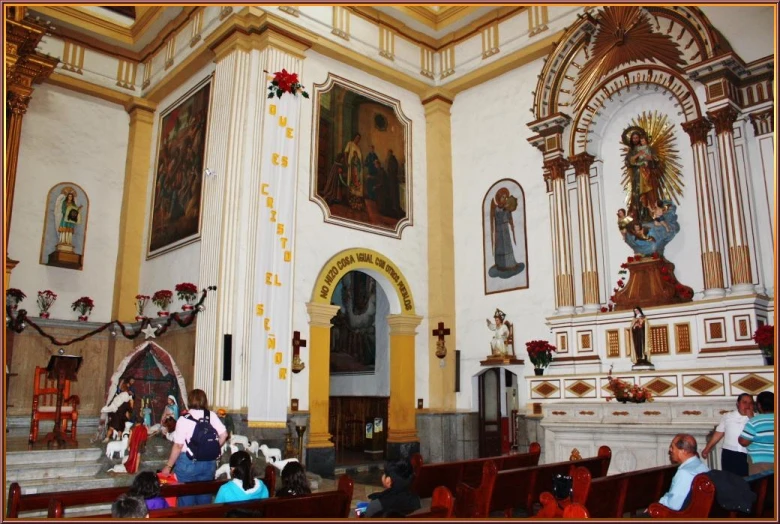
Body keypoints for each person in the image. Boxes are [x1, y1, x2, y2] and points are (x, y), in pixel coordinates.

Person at [161, 389, 228, 507]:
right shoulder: (211, 415)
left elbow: (178, 446)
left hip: (188, 463)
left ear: (190, 401)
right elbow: (224, 434)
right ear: (204, 401)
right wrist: (213, 449)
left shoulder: (184, 419)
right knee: (204, 500)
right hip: (208, 463)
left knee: (186, 502)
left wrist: (168, 466)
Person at [652, 434, 710, 512]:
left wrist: (658, 503)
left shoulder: (684, 473)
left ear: (683, 451)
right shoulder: (703, 466)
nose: (670, 450)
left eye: (672, 447)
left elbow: (674, 505)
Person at [701, 394, 754, 476]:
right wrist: (707, 448)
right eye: (744, 402)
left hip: (747, 454)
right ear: (738, 404)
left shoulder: (756, 418)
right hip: (729, 454)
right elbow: (719, 433)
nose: (747, 406)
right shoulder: (728, 416)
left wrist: (752, 418)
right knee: (730, 480)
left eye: (750, 403)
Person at [624, 130, 660, 222]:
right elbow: (628, 162)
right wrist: (637, 155)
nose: (635, 139)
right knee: (638, 195)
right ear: (631, 140)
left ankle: (652, 213)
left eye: (637, 138)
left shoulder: (648, 148)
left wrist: (650, 158)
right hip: (636, 176)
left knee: (649, 193)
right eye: (634, 138)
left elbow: (656, 160)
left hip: (647, 173)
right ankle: (639, 215)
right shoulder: (632, 151)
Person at [738, 391, 774, 475]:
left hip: (760, 461)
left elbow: (744, 441)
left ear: (759, 405)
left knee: (761, 487)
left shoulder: (755, 421)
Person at [489, 188, 521, 273]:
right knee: (500, 248)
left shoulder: (507, 208)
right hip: (499, 230)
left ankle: (510, 264)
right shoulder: (496, 209)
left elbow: (509, 219)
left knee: (507, 247)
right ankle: (500, 265)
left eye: (505, 197)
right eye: (503, 197)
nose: (504, 199)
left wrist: (508, 211)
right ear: (498, 198)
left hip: (505, 230)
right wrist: (503, 211)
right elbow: (497, 218)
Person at [343, 133, 363, 197]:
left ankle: (356, 195)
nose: (358, 139)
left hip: (357, 168)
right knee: (351, 179)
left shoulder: (358, 148)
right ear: (354, 137)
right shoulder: (350, 144)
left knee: (357, 180)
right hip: (351, 166)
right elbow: (346, 152)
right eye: (357, 138)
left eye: (359, 138)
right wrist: (346, 162)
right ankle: (350, 195)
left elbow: (360, 158)